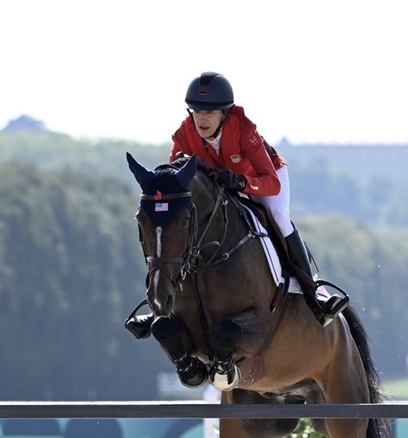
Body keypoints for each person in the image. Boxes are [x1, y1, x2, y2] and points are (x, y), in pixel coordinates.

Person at [128, 71, 349, 336]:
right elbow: (177, 181)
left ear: (224, 113)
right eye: (196, 112)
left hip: (261, 178)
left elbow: (272, 183)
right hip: (220, 187)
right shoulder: (183, 135)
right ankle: (158, 305)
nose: (201, 119)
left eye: (209, 113)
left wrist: (241, 182)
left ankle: (314, 292)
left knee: (278, 215)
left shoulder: (245, 130)